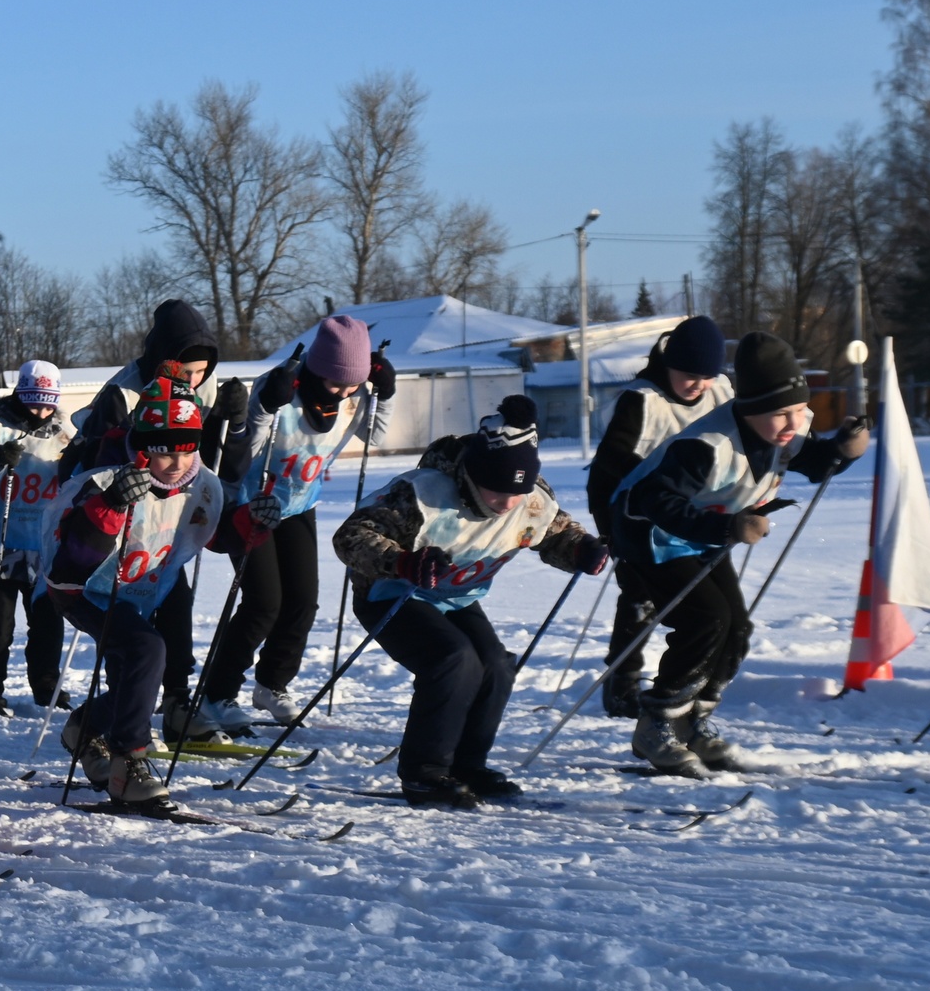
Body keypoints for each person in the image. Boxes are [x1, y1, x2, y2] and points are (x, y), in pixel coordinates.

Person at [606, 331, 868, 777]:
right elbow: (655, 500)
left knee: (736, 628)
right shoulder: (706, 447)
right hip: (648, 536)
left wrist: (840, 452)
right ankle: (656, 723)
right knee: (706, 619)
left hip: (702, 534)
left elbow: (806, 458)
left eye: (799, 410)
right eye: (780, 414)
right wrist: (727, 526)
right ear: (749, 411)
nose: (793, 423)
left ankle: (693, 719)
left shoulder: (787, 428)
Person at [335, 396, 607, 807]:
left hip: (457, 597)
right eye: (497, 491)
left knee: (496, 664)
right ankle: (424, 773)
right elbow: (351, 537)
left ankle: (467, 765)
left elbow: (554, 533)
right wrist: (402, 561)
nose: (508, 503)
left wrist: (581, 550)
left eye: (518, 492)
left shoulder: (529, 498)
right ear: (473, 475)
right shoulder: (422, 492)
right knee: (453, 658)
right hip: (391, 593)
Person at [194, 314, 395, 735]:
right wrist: (266, 406)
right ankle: (217, 694)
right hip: (250, 506)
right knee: (264, 602)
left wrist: (386, 393)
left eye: (352, 384)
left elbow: (373, 437)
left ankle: (272, 685)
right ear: (316, 368)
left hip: (299, 505)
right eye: (335, 382)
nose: (343, 392)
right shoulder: (279, 386)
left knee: (303, 601)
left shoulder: (354, 396)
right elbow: (244, 449)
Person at [46, 378, 225, 810]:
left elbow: (214, 531)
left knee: (138, 672)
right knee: (147, 650)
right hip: (83, 589)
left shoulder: (199, 480)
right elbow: (72, 559)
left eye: (186, 449)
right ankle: (130, 759)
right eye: (164, 450)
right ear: (143, 446)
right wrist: (109, 507)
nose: (176, 462)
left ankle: (85, 729)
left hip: (140, 587)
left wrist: (247, 523)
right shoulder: (104, 479)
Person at [70, 298, 237, 741]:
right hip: (122, 526)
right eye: (187, 370)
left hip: (169, 522)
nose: (196, 380)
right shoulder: (124, 393)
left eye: (203, 371)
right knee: (131, 633)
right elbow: (93, 462)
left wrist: (232, 422)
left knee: (176, 608)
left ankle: (178, 703)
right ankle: (119, 717)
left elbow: (210, 453)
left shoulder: (205, 388)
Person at [586, 314, 733, 718]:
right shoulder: (643, 399)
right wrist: (615, 522)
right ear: (668, 363)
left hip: (692, 515)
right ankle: (623, 680)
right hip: (630, 508)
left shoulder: (720, 391)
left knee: (709, 605)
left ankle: (693, 683)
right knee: (639, 594)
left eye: (707, 375)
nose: (698, 384)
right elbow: (611, 463)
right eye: (689, 374)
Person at [0, 359, 75, 715]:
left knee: (47, 622)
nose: (41, 409)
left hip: (43, 545)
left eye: (47, 401)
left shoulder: (63, 433)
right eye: (33, 400)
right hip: (1, 541)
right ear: (20, 395)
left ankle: (45, 683)